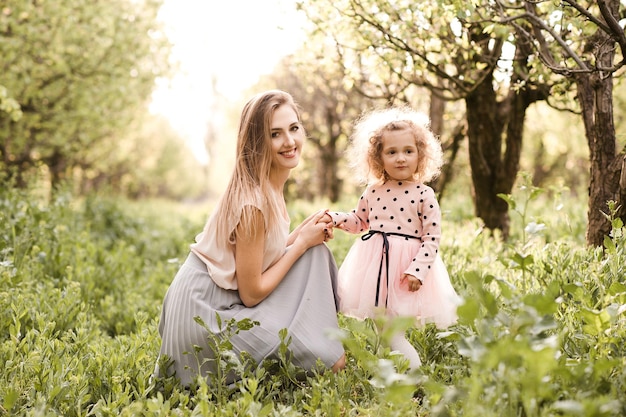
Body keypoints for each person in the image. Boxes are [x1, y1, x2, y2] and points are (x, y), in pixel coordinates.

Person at [155, 90, 345, 387]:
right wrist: (301, 243)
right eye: (275, 134)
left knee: (315, 253)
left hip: (217, 302)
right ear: (258, 142)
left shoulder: (268, 187)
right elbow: (252, 293)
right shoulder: (253, 202)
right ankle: (313, 342)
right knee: (328, 362)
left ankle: (316, 338)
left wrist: (302, 235)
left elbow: (261, 254)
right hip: (204, 313)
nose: (290, 142)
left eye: (294, 129)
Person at [321, 105, 460, 369]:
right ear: (379, 158)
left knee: (394, 331)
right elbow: (358, 222)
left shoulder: (424, 195)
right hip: (376, 269)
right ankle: (395, 372)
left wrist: (417, 270)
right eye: (392, 152)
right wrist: (334, 218)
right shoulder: (373, 192)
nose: (401, 158)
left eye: (408, 151)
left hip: (404, 271)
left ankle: (414, 372)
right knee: (383, 328)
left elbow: (432, 238)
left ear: (420, 155)